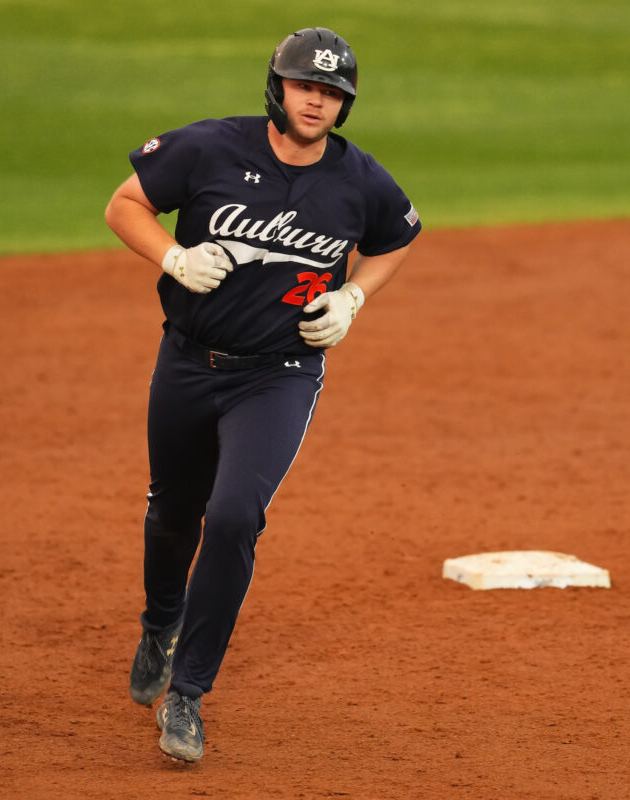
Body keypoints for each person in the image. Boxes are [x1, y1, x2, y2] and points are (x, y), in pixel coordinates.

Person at [104, 26, 421, 762]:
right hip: (186, 363)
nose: (318, 101)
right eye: (307, 85)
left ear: (345, 105)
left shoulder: (360, 180)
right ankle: (161, 621)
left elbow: (399, 236)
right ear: (277, 87)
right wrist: (172, 256)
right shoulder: (210, 147)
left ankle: (187, 694)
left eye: (333, 92)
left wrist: (354, 297)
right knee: (171, 512)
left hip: (278, 375)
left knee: (235, 514)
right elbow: (125, 204)